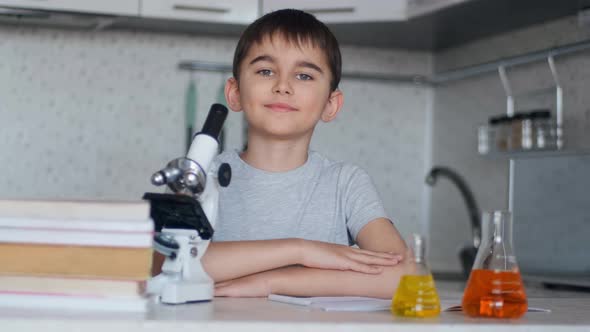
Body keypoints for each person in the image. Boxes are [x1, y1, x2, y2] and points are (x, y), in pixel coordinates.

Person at [171, 9, 413, 299]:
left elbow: (407, 276)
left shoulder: (346, 184)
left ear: (331, 104)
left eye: (304, 75)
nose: (283, 86)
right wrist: (301, 250)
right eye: (265, 71)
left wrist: (271, 283)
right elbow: (169, 262)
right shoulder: (199, 177)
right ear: (234, 93)